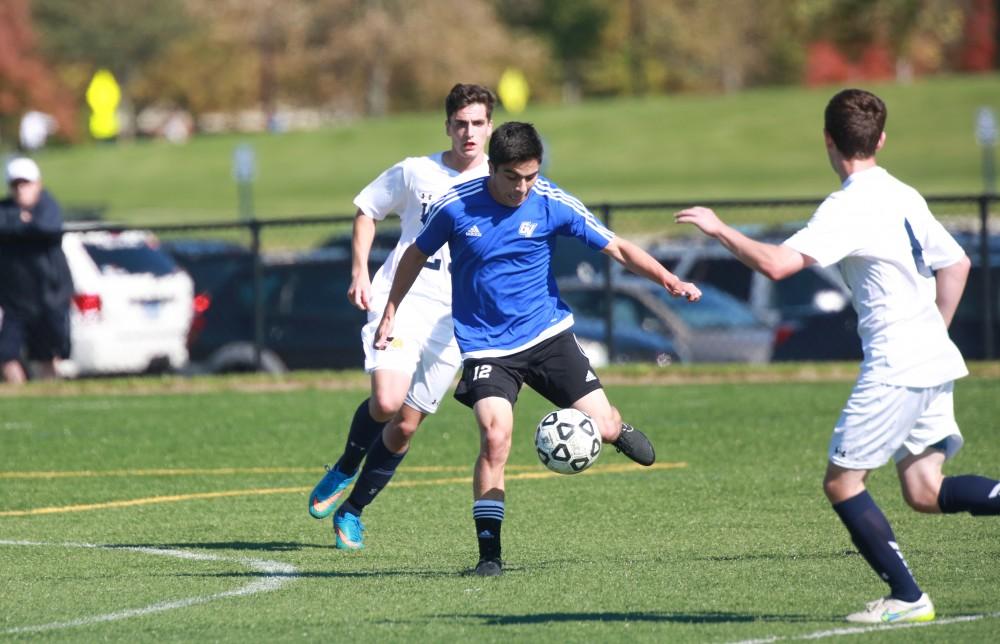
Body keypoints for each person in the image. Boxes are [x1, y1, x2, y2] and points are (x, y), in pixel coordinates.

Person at [675, 88, 1000, 623]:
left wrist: (719, 228)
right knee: (925, 489)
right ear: (882, 139)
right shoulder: (902, 193)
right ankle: (907, 595)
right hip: (930, 359)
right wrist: (935, 333)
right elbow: (957, 264)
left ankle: (907, 597)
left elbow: (778, 265)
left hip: (898, 365)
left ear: (828, 139)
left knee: (842, 482)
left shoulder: (849, 207)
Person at [374, 121, 702, 576]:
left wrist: (668, 278)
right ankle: (489, 557)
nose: (523, 187)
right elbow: (413, 254)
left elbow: (619, 248)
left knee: (602, 425)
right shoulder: (455, 207)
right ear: (492, 168)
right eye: (512, 177)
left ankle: (613, 428)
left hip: (548, 338)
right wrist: (390, 311)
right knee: (495, 437)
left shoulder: (551, 201)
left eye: (530, 176)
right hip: (487, 348)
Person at [307, 83, 496, 550]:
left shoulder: (503, 180)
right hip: (401, 300)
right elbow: (367, 210)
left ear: (490, 127)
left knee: (406, 426)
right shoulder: (417, 173)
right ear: (447, 126)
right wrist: (360, 272)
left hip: (456, 323)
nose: (468, 133)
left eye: (477, 124)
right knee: (388, 402)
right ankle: (346, 465)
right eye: (460, 124)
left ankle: (352, 512)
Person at [0, 157, 74, 383]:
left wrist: (19, 228)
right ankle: (22, 396)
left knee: (47, 355)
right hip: (15, 301)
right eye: (16, 185)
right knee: (6, 354)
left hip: (48, 297)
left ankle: (50, 397)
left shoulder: (48, 206)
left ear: (37, 184)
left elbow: (47, 227)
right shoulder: (5, 209)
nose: (21, 189)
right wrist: (23, 224)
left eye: (26, 183)